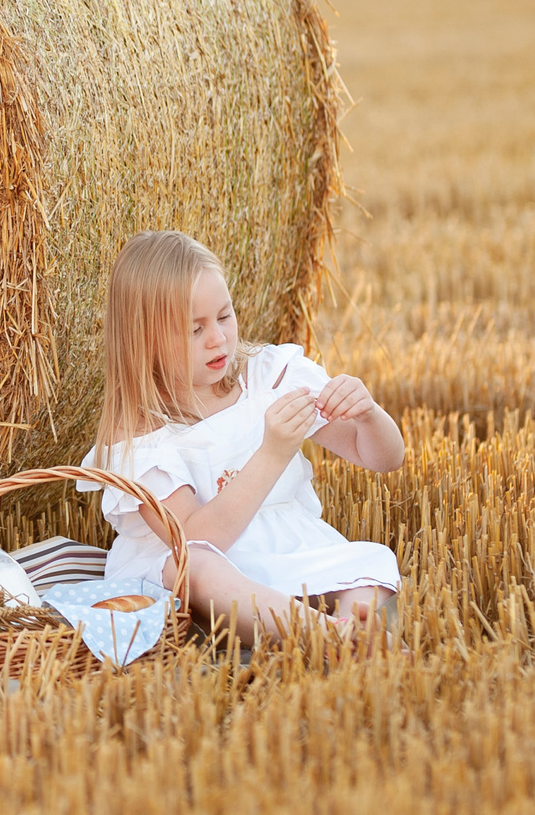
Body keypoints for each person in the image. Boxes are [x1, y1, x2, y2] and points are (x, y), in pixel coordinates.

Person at [80, 231, 406, 639]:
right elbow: (194, 538)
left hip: (289, 551)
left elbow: (384, 459)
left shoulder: (269, 376)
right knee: (198, 567)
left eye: (224, 316)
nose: (217, 339)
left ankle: (347, 629)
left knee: (369, 565)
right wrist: (273, 454)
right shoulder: (140, 431)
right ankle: (329, 637)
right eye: (193, 329)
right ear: (143, 340)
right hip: (207, 579)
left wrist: (368, 415)